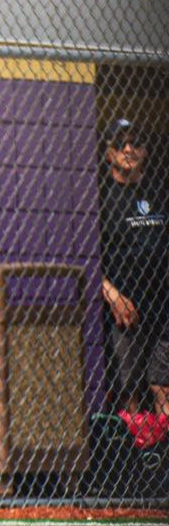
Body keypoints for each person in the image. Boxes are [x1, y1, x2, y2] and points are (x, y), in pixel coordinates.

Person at [101, 121, 166, 415]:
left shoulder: (159, 192)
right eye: (120, 143)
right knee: (129, 388)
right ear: (109, 154)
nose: (129, 149)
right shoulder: (100, 198)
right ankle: (130, 456)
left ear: (146, 150)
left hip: (162, 305)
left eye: (136, 142)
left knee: (163, 385)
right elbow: (90, 258)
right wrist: (113, 295)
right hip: (124, 307)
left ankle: (163, 454)